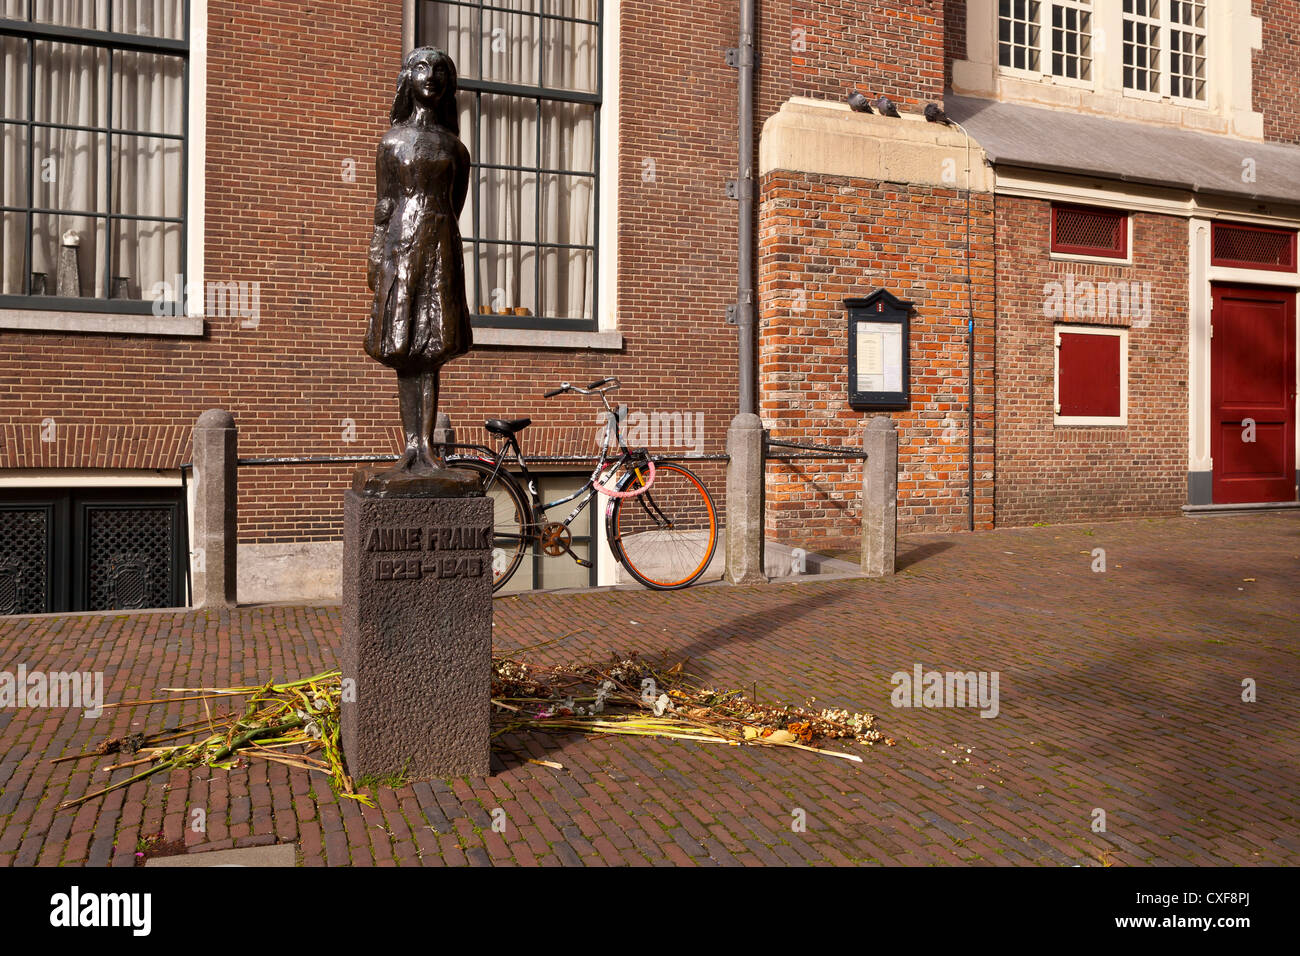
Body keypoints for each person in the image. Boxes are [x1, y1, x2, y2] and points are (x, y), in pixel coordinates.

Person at [366, 46, 472, 476]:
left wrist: (438, 237)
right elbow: (384, 203)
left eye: (440, 71)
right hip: (399, 246)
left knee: (433, 346)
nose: (431, 76)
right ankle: (409, 445)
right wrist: (376, 255)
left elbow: (455, 203)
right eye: (422, 68)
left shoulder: (456, 149)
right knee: (404, 343)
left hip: (440, 247)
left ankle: (426, 446)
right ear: (408, 78)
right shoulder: (391, 143)